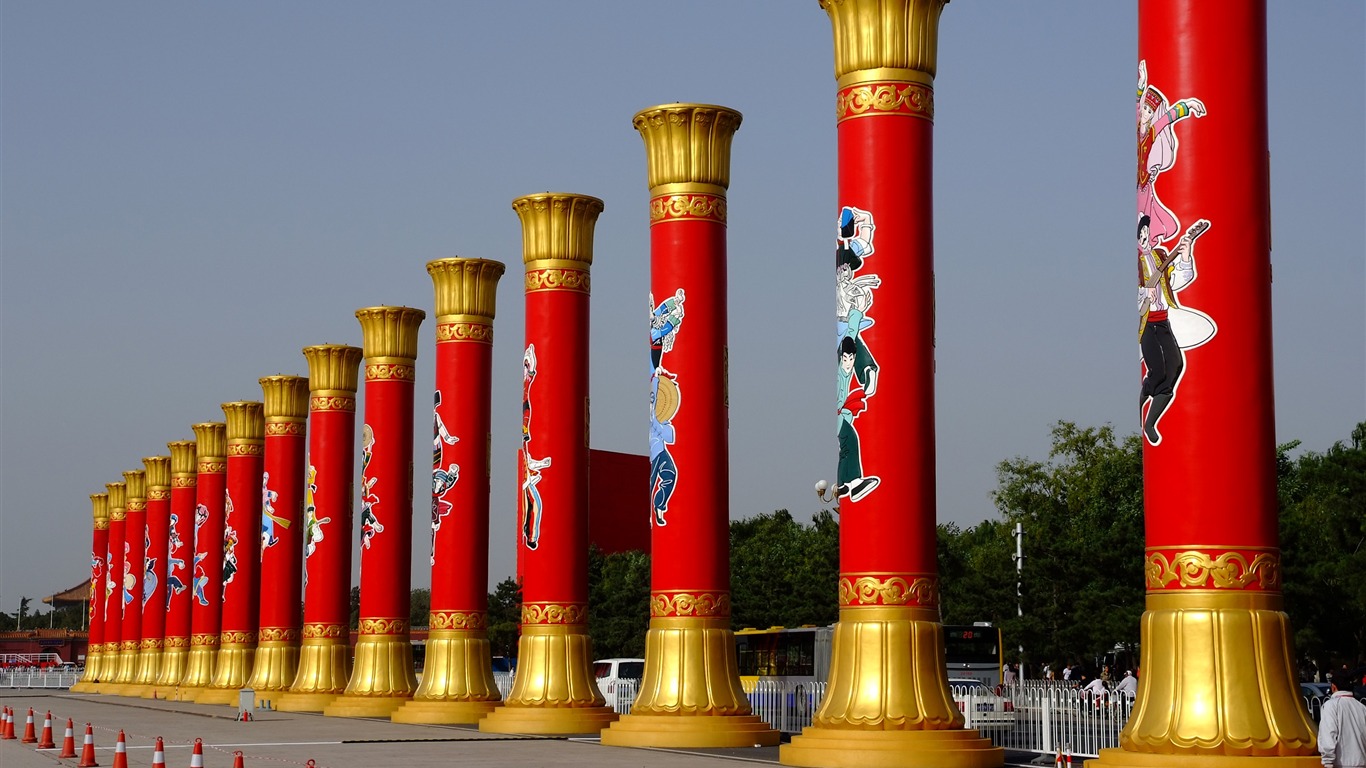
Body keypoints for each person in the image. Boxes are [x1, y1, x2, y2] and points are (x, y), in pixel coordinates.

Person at [1320, 668, 1366, 767]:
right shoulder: (1362, 708)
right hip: (1362, 762)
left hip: (1342, 764)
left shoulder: (1331, 706)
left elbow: (1328, 734)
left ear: (1333, 687)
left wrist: (1327, 762)